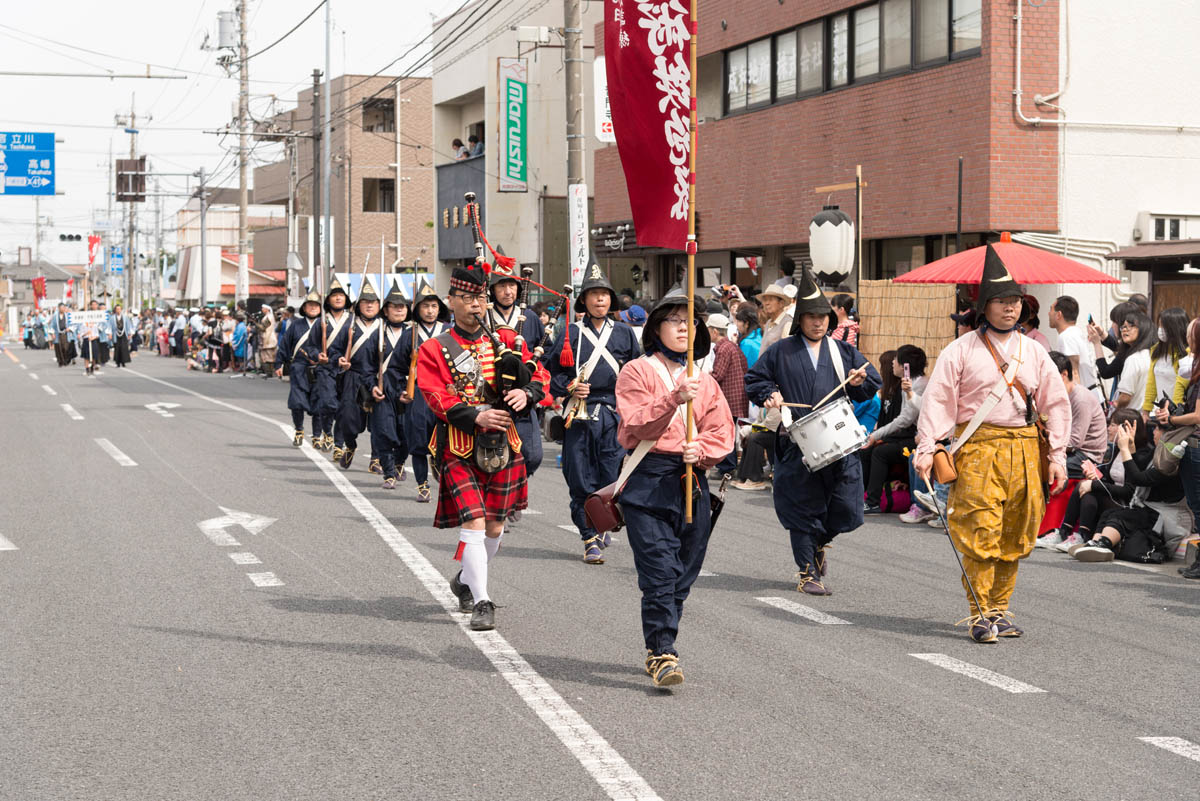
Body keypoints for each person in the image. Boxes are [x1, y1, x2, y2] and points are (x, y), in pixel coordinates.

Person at [914, 245, 1070, 643]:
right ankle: (980, 612)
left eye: (1015, 301)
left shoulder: (1035, 351)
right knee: (980, 530)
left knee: (1016, 533)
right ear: (983, 307)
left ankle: (1000, 610)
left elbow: (1056, 403)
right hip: (978, 449)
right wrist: (927, 446)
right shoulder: (959, 350)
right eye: (1000, 302)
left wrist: (1057, 456)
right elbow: (938, 401)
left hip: (1024, 449)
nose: (1009, 309)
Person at [415, 260, 549, 632]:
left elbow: (540, 375)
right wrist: (475, 416)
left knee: (494, 528)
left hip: (505, 444)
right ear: (451, 301)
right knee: (474, 523)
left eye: (480, 297)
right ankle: (483, 601)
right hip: (460, 447)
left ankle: (465, 580)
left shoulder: (506, 340)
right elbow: (435, 395)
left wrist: (527, 391)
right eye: (467, 298)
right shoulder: (434, 348)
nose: (476, 304)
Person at [614, 287, 735, 687]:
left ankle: (663, 633)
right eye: (674, 320)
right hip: (648, 480)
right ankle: (663, 650)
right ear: (656, 328)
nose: (684, 327)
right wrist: (672, 399)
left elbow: (723, 431)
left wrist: (701, 449)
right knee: (660, 571)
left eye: (690, 321)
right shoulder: (637, 370)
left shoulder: (704, 378)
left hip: (692, 480)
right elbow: (634, 425)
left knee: (684, 572)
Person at [745, 264, 881, 595]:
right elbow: (756, 380)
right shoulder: (781, 351)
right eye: (811, 317)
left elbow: (871, 380)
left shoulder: (843, 350)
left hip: (839, 441)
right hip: (797, 441)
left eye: (823, 317)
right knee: (801, 506)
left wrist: (862, 382)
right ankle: (808, 571)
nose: (818, 322)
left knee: (848, 507)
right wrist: (769, 394)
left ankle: (820, 541)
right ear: (801, 319)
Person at [547, 259, 641, 563]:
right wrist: (571, 386)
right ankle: (588, 538)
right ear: (584, 300)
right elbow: (553, 376)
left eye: (604, 294)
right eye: (594, 294)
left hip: (614, 415)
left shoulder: (625, 334)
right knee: (579, 478)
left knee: (610, 477)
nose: (600, 299)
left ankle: (602, 521)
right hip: (579, 414)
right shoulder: (569, 333)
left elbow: (638, 373)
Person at [1069, 416, 1183, 564]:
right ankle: (1094, 543)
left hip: (1164, 514)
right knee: (1109, 513)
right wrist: (1130, 447)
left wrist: (1124, 449)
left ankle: (1104, 544)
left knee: (1125, 516)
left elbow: (1139, 479)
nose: (1154, 432)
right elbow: (1140, 468)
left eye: (1158, 428)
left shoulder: (1172, 459)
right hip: (1149, 508)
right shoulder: (1158, 451)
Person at [488, 265, 550, 481]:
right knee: (494, 454)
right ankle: (502, 499)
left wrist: (535, 386)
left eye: (512, 285)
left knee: (532, 455)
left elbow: (546, 352)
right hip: (493, 397)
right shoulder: (486, 316)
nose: (508, 291)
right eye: (502, 286)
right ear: (492, 290)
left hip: (524, 394)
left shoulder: (530, 318)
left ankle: (514, 489)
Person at [396, 278, 451, 503]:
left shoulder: (450, 331)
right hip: (419, 392)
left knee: (446, 441)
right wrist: (403, 389)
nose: (430, 311)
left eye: (434, 306)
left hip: (445, 393)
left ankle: (442, 475)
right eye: (425, 306)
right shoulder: (409, 333)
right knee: (418, 440)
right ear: (417, 309)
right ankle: (422, 485)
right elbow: (397, 367)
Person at [863, 345, 927, 514]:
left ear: (905, 365)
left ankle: (872, 502)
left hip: (920, 438)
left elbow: (905, 420)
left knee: (881, 452)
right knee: (871, 450)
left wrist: (876, 435)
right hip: (912, 436)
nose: (892, 363)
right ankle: (863, 498)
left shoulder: (919, 385)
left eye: (896, 359)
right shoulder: (909, 384)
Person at [332, 280, 383, 470]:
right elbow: (335, 350)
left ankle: (376, 459)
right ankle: (350, 445)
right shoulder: (349, 326)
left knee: (378, 421)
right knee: (348, 418)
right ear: (358, 305)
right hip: (353, 376)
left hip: (378, 378)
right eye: (365, 301)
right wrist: (339, 360)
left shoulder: (384, 326)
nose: (369, 305)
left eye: (373, 302)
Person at [274, 290, 330, 446]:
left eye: (316, 305)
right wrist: (279, 363)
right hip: (298, 368)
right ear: (304, 308)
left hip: (319, 368)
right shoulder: (296, 325)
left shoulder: (325, 324)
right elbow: (284, 345)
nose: (313, 308)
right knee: (296, 402)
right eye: (310, 305)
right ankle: (299, 429)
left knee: (318, 404)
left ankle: (317, 435)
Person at [371, 283, 412, 489]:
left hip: (408, 389)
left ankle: (399, 462)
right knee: (385, 432)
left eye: (402, 306)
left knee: (407, 433)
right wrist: (372, 387)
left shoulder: (414, 333)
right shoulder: (377, 333)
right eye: (394, 306)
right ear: (385, 310)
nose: (399, 310)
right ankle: (388, 472)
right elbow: (367, 368)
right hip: (384, 389)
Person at [705, 312, 748, 478]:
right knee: (728, 431)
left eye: (708, 329)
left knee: (725, 432)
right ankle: (727, 466)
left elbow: (718, 375)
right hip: (736, 396)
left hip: (729, 398)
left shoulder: (723, 348)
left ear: (715, 331)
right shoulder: (731, 346)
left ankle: (727, 467)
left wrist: (704, 378)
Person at [322, 278, 354, 454]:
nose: (338, 298)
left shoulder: (352, 320)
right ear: (328, 300)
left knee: (343, 408)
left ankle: (339, 444)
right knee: (328, 404)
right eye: (334, 295)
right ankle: (327, 432)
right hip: (327, 368)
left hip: (346, 369)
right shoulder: (323, 319)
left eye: (341, 295)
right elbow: (312, 345)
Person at [1048, 295, 1100, 401]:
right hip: (1092, 395)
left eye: (1051, 309)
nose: (1049, 313)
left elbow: (1074, 372)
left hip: (1084, 399)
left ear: (1058, 315)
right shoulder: (1075, 332)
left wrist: (1075, 402)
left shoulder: (1067, 336)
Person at [1143, 306, 1190, 412]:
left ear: (1174, 329)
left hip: (1179, 413)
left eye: (1163, 326)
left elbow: (1181, 386)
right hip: (1162, 412)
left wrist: (1175, 412)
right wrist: (1146, 410)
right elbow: (1151, 383)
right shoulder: (1156, 350)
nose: (1160, 330)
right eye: (1159, 325)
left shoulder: (1187, 354)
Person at [755, 284, 793, 354]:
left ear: (781, 303)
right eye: (765, 300)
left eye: (770, 300)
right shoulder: (768, 323)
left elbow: (787, 354)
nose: (766, 303)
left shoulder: (788, 323)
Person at [49, 303, 75, 367]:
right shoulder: (55, 317)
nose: (62, 309)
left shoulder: (68, 316)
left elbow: (72, 324)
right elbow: (51, 326)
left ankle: (66, 360)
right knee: (58, 348)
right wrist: (52, 334)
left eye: (63, 308)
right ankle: (60, 361)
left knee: (66, 348)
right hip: (58, 334)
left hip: (65, 334)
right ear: (58, 308)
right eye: (61, 308)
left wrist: (70, 329)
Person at [110, 303, 134, 368]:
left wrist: (129, 334)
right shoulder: (112, 318)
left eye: (119, 309)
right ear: (115, 310)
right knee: (117, 348)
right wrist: (110, 334)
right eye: (117, 309)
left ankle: (123, 362)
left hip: (123, 334)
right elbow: (110, 327)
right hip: (116, 334)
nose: (118, 310)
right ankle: (117, 363)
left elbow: (128, 326)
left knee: (124, 348)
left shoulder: (125, 317)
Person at [258, 305, 278, 375]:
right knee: (268, 356)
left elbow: (265, 329)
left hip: (268, 339)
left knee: (268, 356)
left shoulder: (269, 317)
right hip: (268, 338)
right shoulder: (268, 316)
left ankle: (269, 372)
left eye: (263, 308)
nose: (262, 309)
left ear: (267, 309)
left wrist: (255, 323)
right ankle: (269, 372)